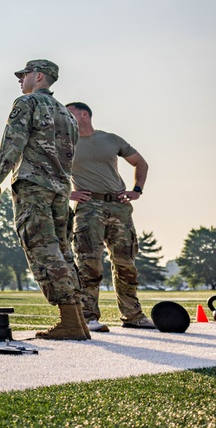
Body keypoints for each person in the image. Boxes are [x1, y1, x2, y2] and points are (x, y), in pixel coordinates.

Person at [0, 59, 87, 340]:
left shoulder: (27, 103)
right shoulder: (68, 115)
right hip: (60, 189)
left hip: (34, 185)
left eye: (25, 75)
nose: (20, 80)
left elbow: (12, 141)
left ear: (39, 76)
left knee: (42, 249)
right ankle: (77, 319)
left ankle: (69, 320)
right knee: (63, 251)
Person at [66, 102, 155, 332]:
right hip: (88, 208)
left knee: (126, 263)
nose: (64, 116)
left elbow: (140, 162)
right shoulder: (63, 142)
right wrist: (68, 193)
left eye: (70, 113)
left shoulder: (111, 139)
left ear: (84, 114)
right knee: (88, 263)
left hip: (119, 206)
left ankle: (133, 316)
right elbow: (48, 172)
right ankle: (88, 317)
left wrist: (137, 190)